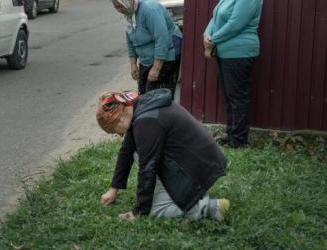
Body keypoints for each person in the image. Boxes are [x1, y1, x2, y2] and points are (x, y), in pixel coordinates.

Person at [96, 89, 229, 221]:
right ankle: (189, 193)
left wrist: (140, 210)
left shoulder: (145, 122)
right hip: (204, 161)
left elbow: (148, 167)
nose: (119, 135)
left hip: (202, 167)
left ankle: (210, 207)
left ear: (118, 119)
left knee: (157, 210)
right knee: (136, 150)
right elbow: (126, 152)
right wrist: (114, 189)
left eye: (114, 130)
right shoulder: (141, 106)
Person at [203, 0, 263, 148]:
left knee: (237, 97)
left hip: (240, 52)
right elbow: (216, 15)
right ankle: (231, 135)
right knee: (230, 96)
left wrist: (212, 41)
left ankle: (239, 140)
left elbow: (235, 24)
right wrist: (207, 33)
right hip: (225, 51)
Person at [109, 0, 182, 95]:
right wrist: (133, 64)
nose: (120, 11)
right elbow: (130, 40)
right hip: (147, 58)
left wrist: (156, 68)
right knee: (143, 92)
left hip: (167, 55)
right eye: (117, 8)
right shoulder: (129, 12)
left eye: (120, 6)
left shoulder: (150, 9)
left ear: (127, 1)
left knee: (155, 96)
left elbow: (162, 38)